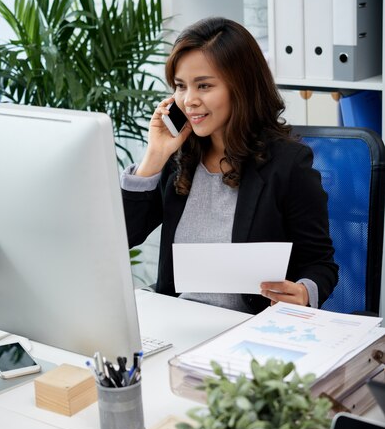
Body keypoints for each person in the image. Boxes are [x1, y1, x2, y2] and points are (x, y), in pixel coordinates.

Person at [121, 17, 338, 314]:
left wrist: (302, 292)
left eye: (204, 86)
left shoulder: (287, 164)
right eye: (181, 87)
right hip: (179, 323)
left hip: (249, 330)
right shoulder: (178, 159)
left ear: (242, 87)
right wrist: (154, 157)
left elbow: (320, 263)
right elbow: (124, 236)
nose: (189, 100)